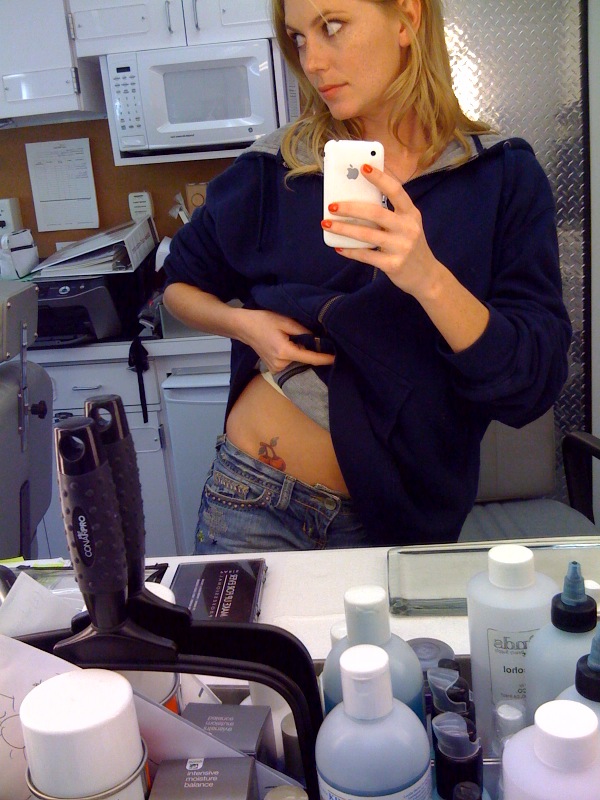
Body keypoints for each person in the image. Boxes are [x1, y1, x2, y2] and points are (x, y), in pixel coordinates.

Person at [163, 0, 571, 554]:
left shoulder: (500, 177)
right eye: (299, 38)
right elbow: (177, 285)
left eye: (331, 27)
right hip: (253, 498)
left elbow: (531, 384)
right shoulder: (275, 166)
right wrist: (245, 326)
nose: (312, 61)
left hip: (401, 524)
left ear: (407, 18)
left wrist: (429, 278)